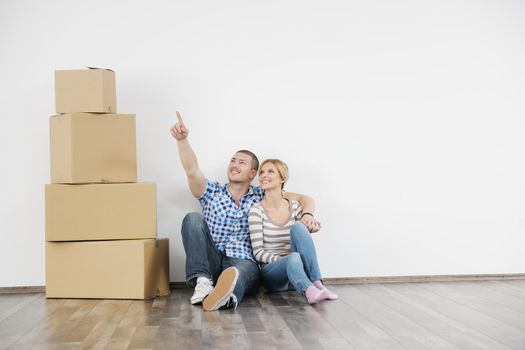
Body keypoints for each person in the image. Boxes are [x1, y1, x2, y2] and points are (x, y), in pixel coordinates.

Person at [170, 112, 319, 311]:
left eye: (241, 162)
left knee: (239, 274)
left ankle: (227, 297)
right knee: (192, 218)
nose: (234, 165)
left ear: (252, 174)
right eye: (233, 160)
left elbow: (304, 199)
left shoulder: (262, 195)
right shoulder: (211, 192)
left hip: (243, 261)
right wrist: (183, 140)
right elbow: (192, 170)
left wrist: (307, 215)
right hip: (211, 259)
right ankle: (204, 283)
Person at [249, 159, 338, 304]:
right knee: (294, 257)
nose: (264, 175)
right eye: (262, 172)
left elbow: (301, 235)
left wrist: (310, 226)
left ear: (282, 178)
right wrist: (285, 261)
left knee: (298, 227)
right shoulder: (256, 211)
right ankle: (309, 291)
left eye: (270, 171)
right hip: (273, 274)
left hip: (297, 271)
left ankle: (317, 285)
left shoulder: (295, 206)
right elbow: (258, 252)